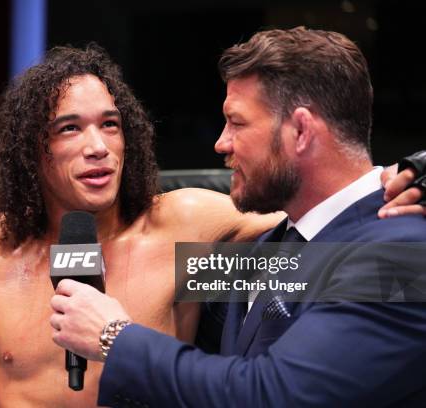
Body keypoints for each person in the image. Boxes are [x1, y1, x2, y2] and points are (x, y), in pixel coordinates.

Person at [0, 43, 424, 407]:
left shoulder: (186, 228)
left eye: (110, 125)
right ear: (33, 149)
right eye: (70, 129)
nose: (97, 147)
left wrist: (417, 179)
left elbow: (334, 232)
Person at [51, 29, 426, 407]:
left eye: (237, 123)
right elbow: (179, 307)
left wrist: (114, 337)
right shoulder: (265, 247)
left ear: (300, 130)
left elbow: (270, 395)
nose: (221, 142)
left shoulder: (401, 253)